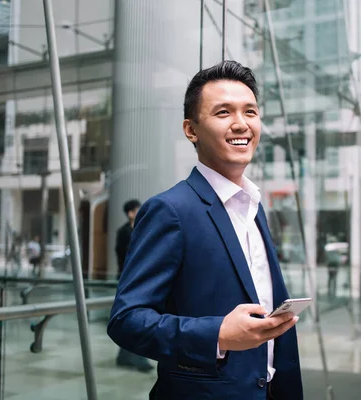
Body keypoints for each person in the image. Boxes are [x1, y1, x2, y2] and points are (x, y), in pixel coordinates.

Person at [107, 61, 303, 399]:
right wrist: (218, 334)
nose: (241, 124)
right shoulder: (171, 210)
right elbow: (127, 320)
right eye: (224, 112)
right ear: (191, 129)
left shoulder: (254, 207)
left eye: (250, 112)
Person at [114, 199, 154, 372]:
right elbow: (125, 256)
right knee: (136, 317)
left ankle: (124, 356)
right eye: (137, 210)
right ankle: (138, 359)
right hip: (129, 280)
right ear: (130, 213)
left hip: (139, 278)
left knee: (133, 317)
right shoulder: (124, 232)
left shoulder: (140, 229)